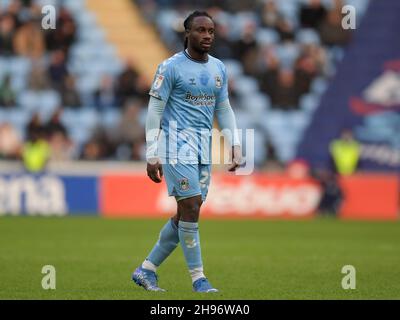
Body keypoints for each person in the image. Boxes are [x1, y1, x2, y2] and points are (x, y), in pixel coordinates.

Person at [132, 11, 242, 293]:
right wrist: (152, 153)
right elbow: (155, 110)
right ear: (187, 34)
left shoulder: (218, 68)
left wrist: (235, 144)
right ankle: (199, 279)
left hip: (203, 148)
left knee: (186, 214)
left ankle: (146, 270)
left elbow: (224, 109)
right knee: (191, 206)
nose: (207, 36)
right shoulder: (170, 67)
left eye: (211, 31)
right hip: (175, 146)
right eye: (201, 30)